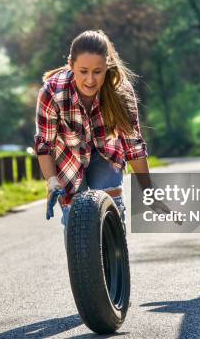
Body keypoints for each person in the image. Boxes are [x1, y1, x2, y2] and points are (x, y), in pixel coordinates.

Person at [33, 30, 168, 243]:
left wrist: (148, 192)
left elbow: (133, 146)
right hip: (68, 159)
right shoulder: (52, 92)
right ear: (70, 64)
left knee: (110, 207)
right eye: (83, 71)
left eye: (98, 71)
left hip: (106, 154)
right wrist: (51, 182)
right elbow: (44, 145)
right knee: (75, 224)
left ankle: (115, 258)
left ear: (107, 66)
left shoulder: (120, 91)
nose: (90, 80)